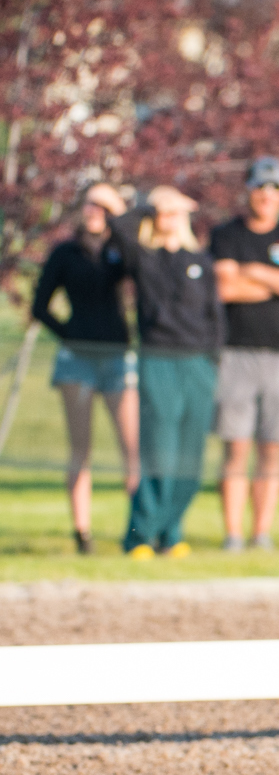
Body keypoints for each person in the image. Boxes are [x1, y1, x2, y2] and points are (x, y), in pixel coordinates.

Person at [84, 182, 223, 560]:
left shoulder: (201, 262)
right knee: (159, 449)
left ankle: (171, 533)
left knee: (190, 456)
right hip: (158, 359)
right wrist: (151, 204)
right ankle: (140, 535)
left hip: (198, 363)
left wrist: (214, 362)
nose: (171, 218)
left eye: (177, 212)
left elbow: (215, 317)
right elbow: (122, 228)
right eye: (165, 212)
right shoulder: (143, 257)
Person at [210, 156, 279, 551]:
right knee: (236, 445)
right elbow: (224, 288)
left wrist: (252, 272)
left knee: (272, 448)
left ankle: (262, 533)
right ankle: (233, 533)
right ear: (249, 191)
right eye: (261, 187)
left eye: (275, 188)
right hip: (236, 353)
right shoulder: (227, 236)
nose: (267, 195)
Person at [30, 189, 141, 553]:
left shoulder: (120, 252)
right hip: (77, 360)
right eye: (90, 204)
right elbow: (40, 305)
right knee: (81, 448)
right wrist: (71, 334)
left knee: (132, 448)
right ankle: (83, 533)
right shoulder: (65, 252)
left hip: (116, 357)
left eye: (103, 207)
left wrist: (121, 219)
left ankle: (139, 528)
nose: (95, 212)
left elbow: (141, 269)